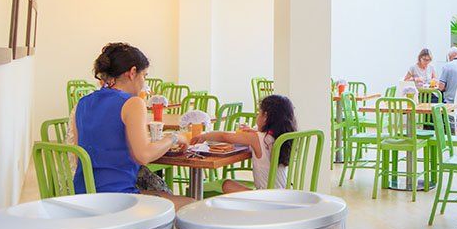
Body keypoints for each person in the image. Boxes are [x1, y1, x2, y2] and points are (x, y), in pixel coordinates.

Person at [72, 43, 192, 208]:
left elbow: (82, 154)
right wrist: (174, 137)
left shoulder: (83, 103)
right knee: (191, 204)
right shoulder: (133, 103)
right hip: (116, 199)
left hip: (83, 197)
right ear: (133, 72)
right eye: (144, 76)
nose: (144, 83)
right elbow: (143, 155)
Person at [192, 94, 297, 193]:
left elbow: (225, 136)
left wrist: (204, 136)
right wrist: (254, 131)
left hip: (266, 197)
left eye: (258, 113)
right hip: (285, 194)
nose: (257, 116)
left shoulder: (257, 138)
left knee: (227, 184)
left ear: (265, 116)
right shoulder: (283, 139)